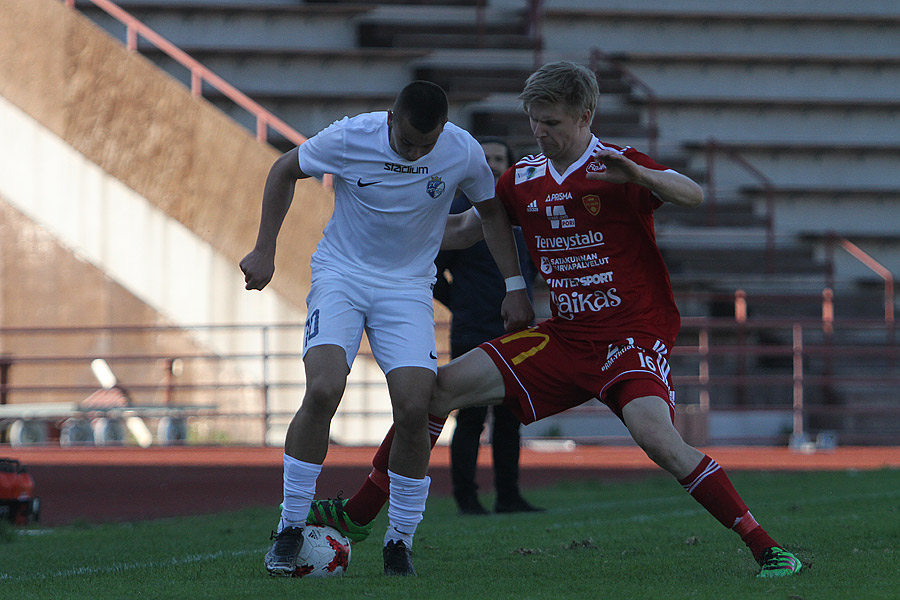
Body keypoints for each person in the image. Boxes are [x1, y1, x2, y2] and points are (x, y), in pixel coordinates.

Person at [306, 62, 802, 578]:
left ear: (586, 116)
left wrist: (641, 175)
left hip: (628, 337)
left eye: (552, 122)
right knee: (436, 391)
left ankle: (767, 548)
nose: (540, 132)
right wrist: (381, 226)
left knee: (658, 440)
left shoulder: (617, 166)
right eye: (534, 121)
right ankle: (359, 515)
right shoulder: (523, 178)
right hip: (564, 337)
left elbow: (691, 192)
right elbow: (464, 229)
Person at [240, 80, 534, 577]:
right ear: (391, 119)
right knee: (325, 388)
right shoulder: (353, 136)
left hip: (407, 289)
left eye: (428, 144)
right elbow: (284, 168)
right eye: (409, 142)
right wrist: (265, 247)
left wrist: (515, 285)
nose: (418, 153)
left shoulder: (461, 148)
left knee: (417, 408)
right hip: (342, 276)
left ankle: (399, 543)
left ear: (444, 130)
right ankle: (290, 527)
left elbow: (489, 214)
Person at [434, 137, 543, 515]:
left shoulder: (522, 215)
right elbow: (433, 271)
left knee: (512, 415)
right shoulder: (461, 212)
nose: (495, 164)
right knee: (471, 416)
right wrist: (461, 303)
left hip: (518, 331)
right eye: (488, 158)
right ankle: (467, 498)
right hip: (473, 329)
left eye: (501, 158)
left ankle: (508, 496)